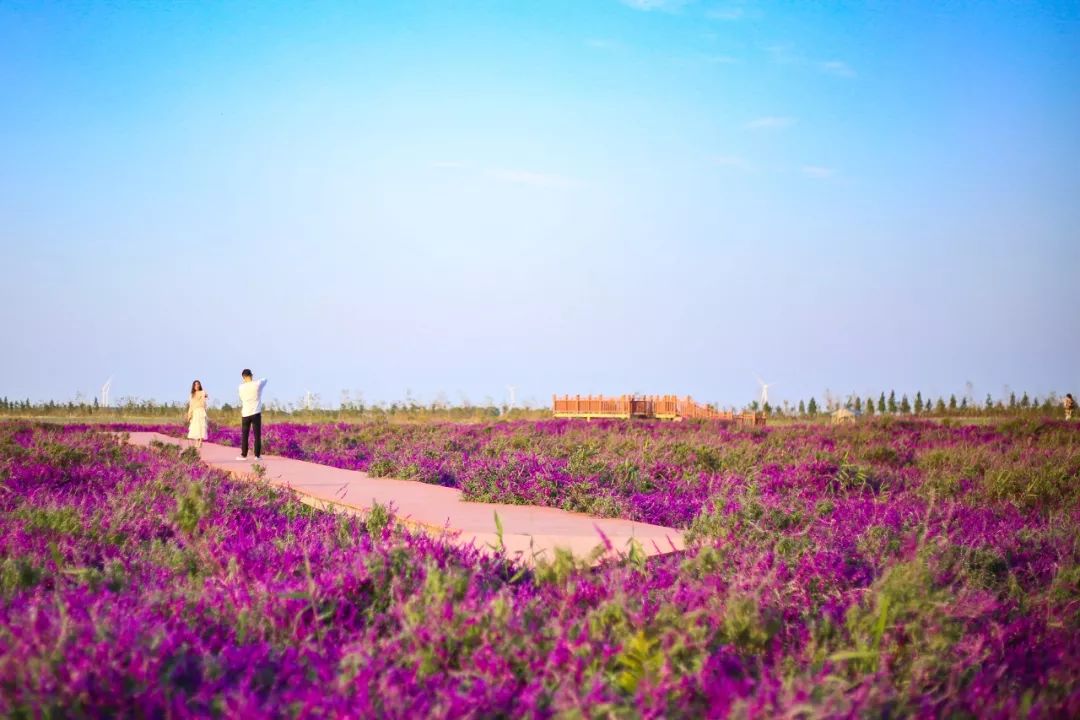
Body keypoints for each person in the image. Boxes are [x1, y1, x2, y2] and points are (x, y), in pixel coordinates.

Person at [237, 369, 267, 460]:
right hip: (255, 413)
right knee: (257, 435)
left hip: (245, 413)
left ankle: (243, 455)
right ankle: (257, 456)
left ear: (243, 377)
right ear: (251, 375)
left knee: (245, 435)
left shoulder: (241, 387)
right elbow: (265, 379)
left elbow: (241, 398)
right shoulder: (257, 384)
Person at [186, 380, 209, 449]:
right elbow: (191, 405)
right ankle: (197, 441)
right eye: (195, 385)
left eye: (198, 384)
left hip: (201, 411)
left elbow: (206, 400)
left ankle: (200, 441)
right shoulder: (191, 395)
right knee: (195, 427)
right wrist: (189, 414)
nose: (197, 386)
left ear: (200, 385)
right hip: (194, 412)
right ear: (193, 386)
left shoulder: (202, 392)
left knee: (201, 426)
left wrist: (205, 396)